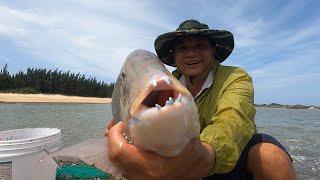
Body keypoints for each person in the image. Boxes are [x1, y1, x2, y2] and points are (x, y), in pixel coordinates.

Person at [107, 19, 297, 179]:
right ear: (174, 56)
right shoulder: (163, 81)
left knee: (270, 157)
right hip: (179, 159)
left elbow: (233, 120)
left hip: (226, 160)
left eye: (200, 45)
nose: (191, 53)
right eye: (182, 48)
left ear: (213, 50)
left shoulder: (236, 77)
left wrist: (200, 157)